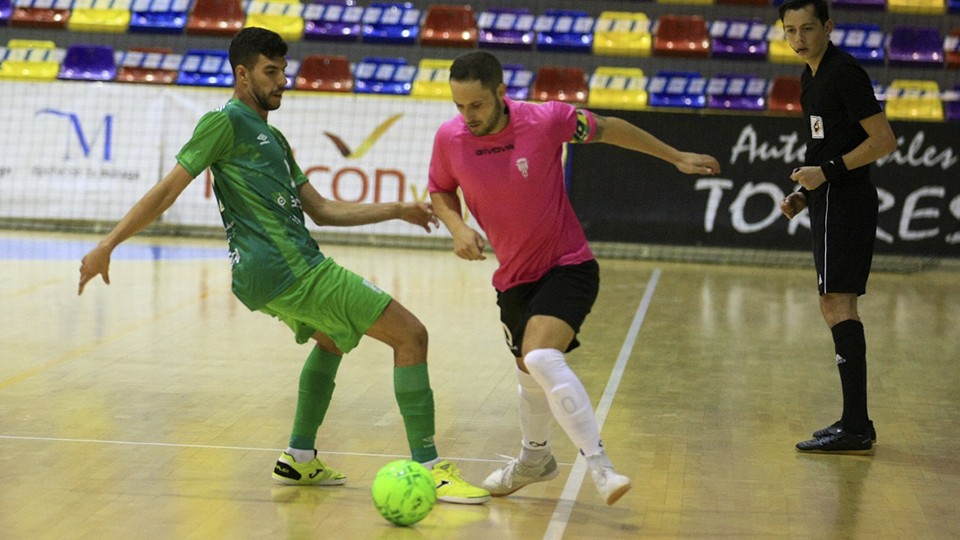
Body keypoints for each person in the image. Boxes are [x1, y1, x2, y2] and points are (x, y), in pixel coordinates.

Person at [77, 27, 490, 504]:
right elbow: (169, 189)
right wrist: (109, 243)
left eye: (283, 72)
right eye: (270, 72)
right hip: (289, 267)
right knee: (411, 336)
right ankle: (430, 467)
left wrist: (398, 209)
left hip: (265, 275)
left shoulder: (274, 138)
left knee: (333, 339)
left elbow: (324, 211)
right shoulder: (224, 122)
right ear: (242, 73)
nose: (281, 82)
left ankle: (298, 458)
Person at [428, 51, 722, 505]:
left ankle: (600, 467)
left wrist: (675, 156)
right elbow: (440, 190)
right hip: (512, 280)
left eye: (477, 106)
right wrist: (458, 226)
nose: (467, 116)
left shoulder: (545, 121)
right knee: (528, 374)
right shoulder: (450, 138)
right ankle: (534, 459)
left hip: (568, 264)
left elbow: (609, 128)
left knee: (542, 357)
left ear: (501, 94)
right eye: (459, 106)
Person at [777, 0, 897, 454]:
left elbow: (883, 140)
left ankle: (856, 425)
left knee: (836, 303)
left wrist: (824, 174)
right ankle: (854, 422)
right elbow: (828, 145)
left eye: (808, 28)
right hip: (829, 199)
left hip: (846, 202)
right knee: (835, 302)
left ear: (828, 27)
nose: (798, 38)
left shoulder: (843, 72)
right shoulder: (810, 77)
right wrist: (805, 194)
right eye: (790, 30)